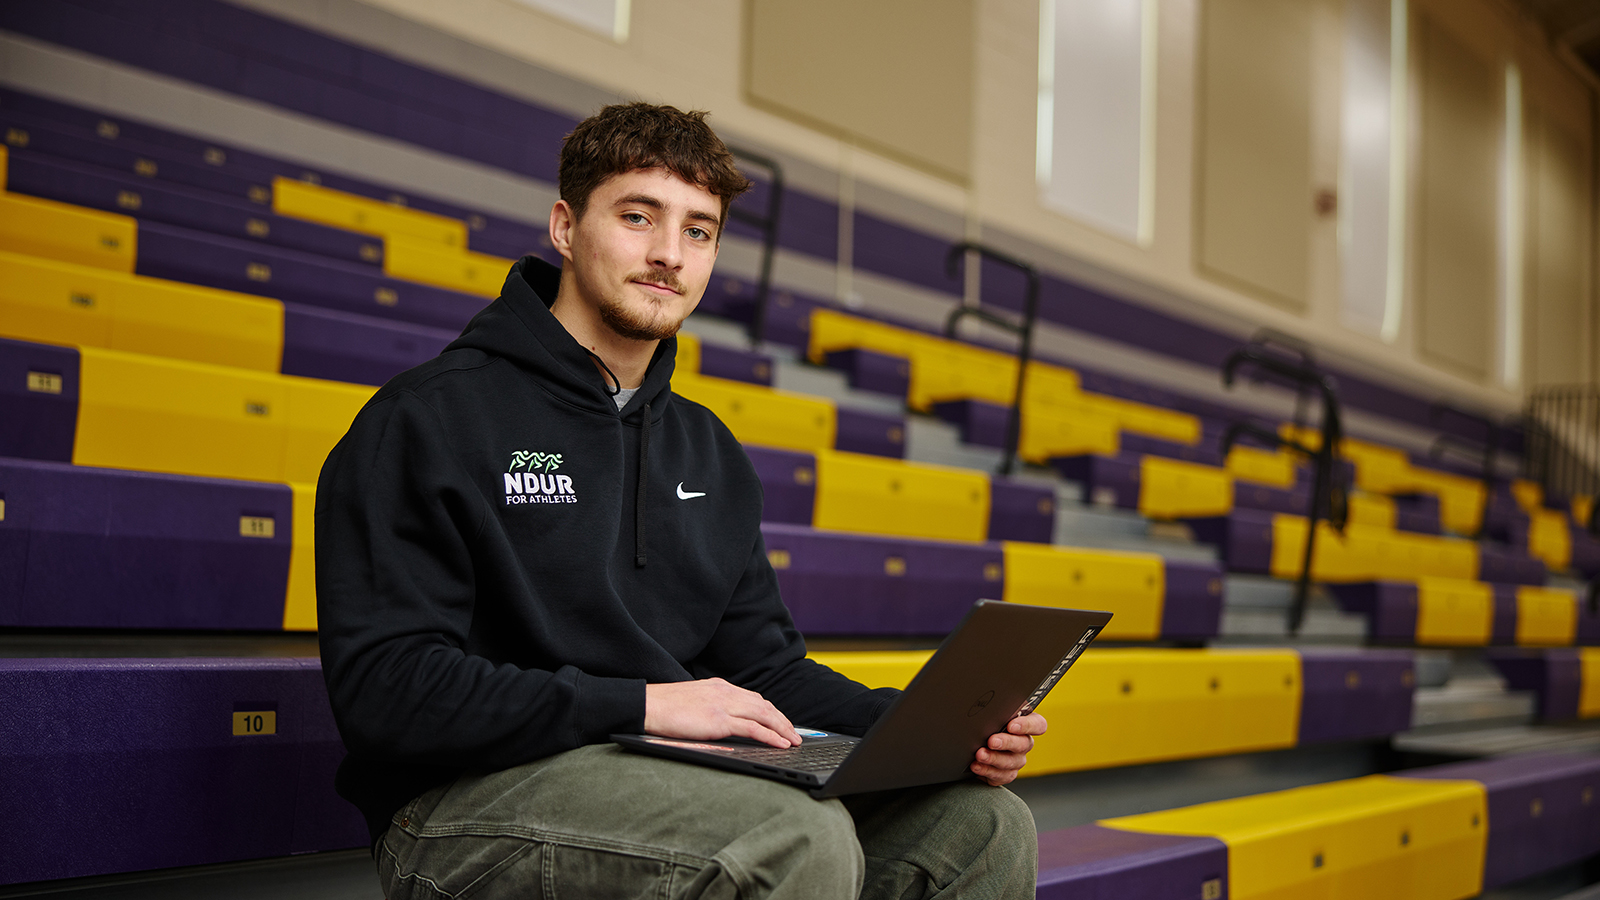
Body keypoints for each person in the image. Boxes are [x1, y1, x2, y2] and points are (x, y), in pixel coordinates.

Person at [316, 101, 1044, 899]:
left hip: (665, 775)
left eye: (698, 230)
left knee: (982, 826)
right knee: (792, 838)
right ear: (565, 227)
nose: (669, 254)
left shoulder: (709, 450)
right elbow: (388, 691)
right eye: (638, 217)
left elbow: (767, 669)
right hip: (462, 804)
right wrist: (642, 705)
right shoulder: (427, 419)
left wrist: (928, 730)